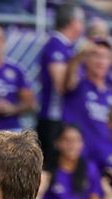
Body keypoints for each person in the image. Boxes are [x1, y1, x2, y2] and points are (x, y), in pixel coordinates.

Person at [35, 4, 85, 168]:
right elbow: (62, 85)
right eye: (81, 21)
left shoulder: (67, 47)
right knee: (50, 168)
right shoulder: (56, 45)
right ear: (73, 22)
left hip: (62, 117)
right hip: (53, 118)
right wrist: (77, 61)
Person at [62, 40, 112, 147]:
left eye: (106, 57)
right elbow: (70, 76)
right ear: (86, 59)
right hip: (81, 153)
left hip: (104, 152)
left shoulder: (111, 89)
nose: (100, 61)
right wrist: (81, 55)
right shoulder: (78, 85)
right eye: (96, 56)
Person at [39, 125, 101, 199]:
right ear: (57, 143)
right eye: (67, 140)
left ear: (82, 144)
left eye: (77, 140)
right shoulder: (46, 171)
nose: (72, 145)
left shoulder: (90, 169)